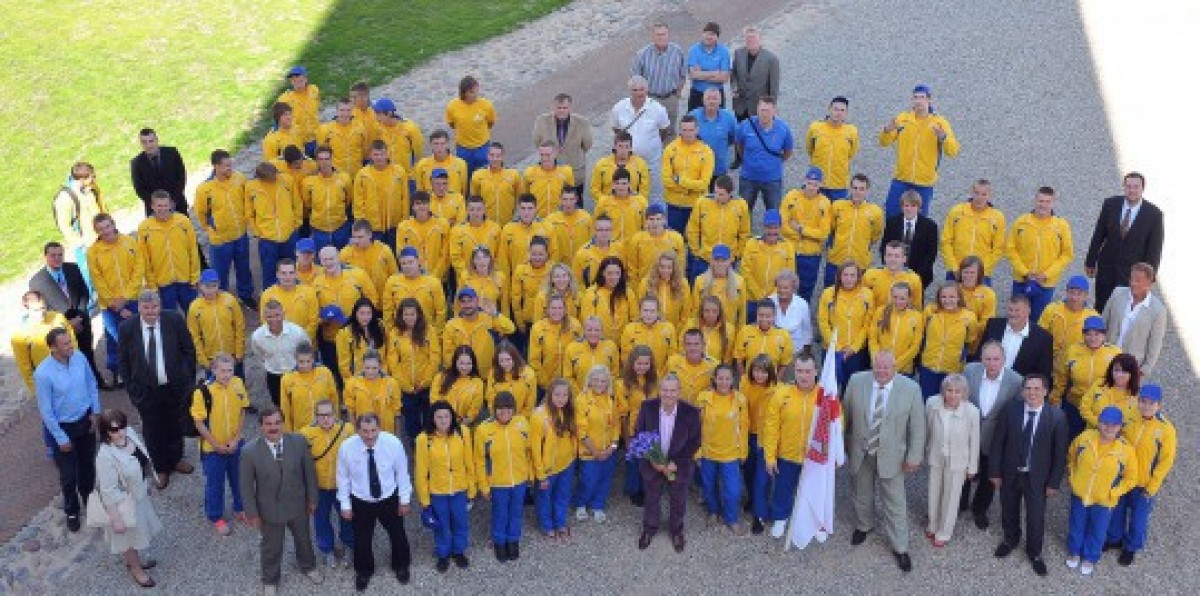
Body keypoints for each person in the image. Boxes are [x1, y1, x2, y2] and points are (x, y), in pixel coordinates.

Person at [843, 350, 926, 572]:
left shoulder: (911, 389)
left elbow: (918, 427)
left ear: (895, 368)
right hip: (862, 451)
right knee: (862, 493)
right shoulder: (856, 381)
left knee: (895, 502)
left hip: (892, 457)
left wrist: (914, 457)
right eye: (877, 366)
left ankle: (900, 547)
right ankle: (864, 526)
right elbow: (845, 416)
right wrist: (840, 447)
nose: (881, 371)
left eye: (886, 367)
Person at [990, 374, 1068, 576]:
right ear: (1023, 391)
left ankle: (1034, 552)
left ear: (1045, 391)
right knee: (1008, 508)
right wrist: (995, 471)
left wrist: (1054, 482)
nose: (1032, 393)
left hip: (1038, 478)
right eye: (1028, 388)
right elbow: (998, 443)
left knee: (1035, 516)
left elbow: (1060, 455)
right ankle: (1010, 539)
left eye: (1037, 389)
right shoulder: (1010, 410)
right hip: (1010, 472)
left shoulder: (1057, 417)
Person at [118, 290, 197, 489]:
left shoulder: (174, 320)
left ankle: (176, 459)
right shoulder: (127, 328)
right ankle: (161, 467)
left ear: (160, 306)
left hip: (173, 388)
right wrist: (132, 390)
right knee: (152, 430)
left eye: (154, 307)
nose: (151, 311)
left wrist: (187, 380)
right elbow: (123, 362)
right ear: (139, 308)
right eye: (146, 307)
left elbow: (189, 350)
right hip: (145, 392)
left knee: (175, 425)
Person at [239, 406, 322, 594]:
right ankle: (270, 580)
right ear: (261, 426)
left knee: (304, 539)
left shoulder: (299, 442)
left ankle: (308, 566)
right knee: (271, 547)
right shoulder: (249, 452)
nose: (273, 427)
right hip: (270, 509)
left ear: (283, 423)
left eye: (277, 423)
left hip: (298, 504)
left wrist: (313, 498)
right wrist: (252, 513)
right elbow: (246, 486)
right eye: (268, 424)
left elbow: (309, 473)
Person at [337, 412, 413, 591]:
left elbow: (402, 473)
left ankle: (401, 565)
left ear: (379, 428)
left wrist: (404, 500)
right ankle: (364, 571)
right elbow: (342, 478)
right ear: (357, 430)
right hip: (361, 500)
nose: (370, 435)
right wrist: (345, 504)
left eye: (373, 430)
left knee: (397, 534)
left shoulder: (393, 444)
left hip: (388, 498)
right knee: (362, 538)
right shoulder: (346, 448)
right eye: (365, 431)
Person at [35, 327, 100, 533]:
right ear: (53, 348)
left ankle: (89, 500)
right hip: (63, 428)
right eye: (65, 344)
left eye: (70, 341)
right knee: (69, 475)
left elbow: (91, 383)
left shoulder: (79, 357)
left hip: (85, 421)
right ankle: (72, 511)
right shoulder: (43, 373)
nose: (70, 346)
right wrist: (61, 438)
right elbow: (46, 411)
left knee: (87, 467)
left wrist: (95, 412)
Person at [1106, 383, 1175, 566]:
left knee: (1138, 520)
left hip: (1144, 484)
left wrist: (1152, 487)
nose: (1146, 406)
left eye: (1151, 403)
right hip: (1124, 478)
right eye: (1143, 401)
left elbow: (1165, 462)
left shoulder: (1166, 430)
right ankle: (1114, 539)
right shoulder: (1129, 417)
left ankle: (1131, 547)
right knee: (1117, 512)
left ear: (1159, 405)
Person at [1065, 406, 1138, 576]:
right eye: (1105, 423)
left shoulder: (1126, 450)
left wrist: (1113, 492)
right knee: (1076, 525)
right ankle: (1074, 552)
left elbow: (1131, 478)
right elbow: (1072, 457)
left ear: (1119, 426)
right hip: (1081, 494)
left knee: (1098, 530)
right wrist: (1073, 478)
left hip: (1105, 500)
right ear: (1098, 423)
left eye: (1114, 425)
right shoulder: (1084, 438)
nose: (1108, 428)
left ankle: (1090, 557)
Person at [94, 409, 162, 588]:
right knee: (127, 540)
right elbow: (107, 491)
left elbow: (142, 460)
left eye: (122, 426)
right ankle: (136, 569)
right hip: (122, 504)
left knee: (137, 533)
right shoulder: (105, 456)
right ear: (106, 432)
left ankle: (134, 562)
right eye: (114, 430)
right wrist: (116, 519)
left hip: (138, 496)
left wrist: (146, 483)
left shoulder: (130, 434)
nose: (121, 432)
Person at [634, 374, 701, 553]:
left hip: (678, 464)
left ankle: (677, 531)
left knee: (678, 499)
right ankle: (649, 528)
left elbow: (695, 441)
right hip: (653, 464)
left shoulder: (691, 412)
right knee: (651, 498)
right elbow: (639, 434)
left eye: (673, 391)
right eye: (665, 390)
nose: (668, 394)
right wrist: (653, 460)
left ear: (679, 392)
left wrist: (676, 463)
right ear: (659, 391)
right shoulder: (647, 407)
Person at [960, 341, 1024, 529]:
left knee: (988, 476)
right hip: (969, 432)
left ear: (1004, 359)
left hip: (995, 437)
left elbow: (1016, 412)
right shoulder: (970, 371)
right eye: (987, 359)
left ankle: (979, 509)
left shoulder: (1016, 381)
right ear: (981, 358)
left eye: (996, 359)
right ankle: (959, 503)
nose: (992, 363)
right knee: (963, 470)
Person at [1084, 172, 1165, 311]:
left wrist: (1149, 277)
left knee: (1124, 310)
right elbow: (1098, 234)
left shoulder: (1154, 214)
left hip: (1132, 274)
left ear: (1142, 188)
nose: (1131, 190)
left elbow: (1154, 249)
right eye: (1128, 186)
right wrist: (1090, 261)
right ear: (1124, 187)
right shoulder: (1110, 204)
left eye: (1136, 187)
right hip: (1106, 268)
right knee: (1101, 306)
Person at [878, 85, 960, 218]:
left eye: (922, 97)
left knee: (919, 221)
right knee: (892, 215)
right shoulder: (902, 119)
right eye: (915, 97)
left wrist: (943, 138)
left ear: (929, 100)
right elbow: (884, 142)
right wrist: (886, 131)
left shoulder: (939, 122)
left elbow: (953, 151)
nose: (918, 101)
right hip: (901, 179)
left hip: (924, 182)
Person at [29, 241, 103, 386]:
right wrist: (67, 323)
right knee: (65, 358)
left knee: (87, 353)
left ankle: (96, 381)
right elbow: (44, 308)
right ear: (45, 257)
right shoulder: (37, 282)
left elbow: (84, 292)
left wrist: (79, 317)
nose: (57, 258)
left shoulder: (72, 268)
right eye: (53, 255)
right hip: (60, 328)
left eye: (60, 255)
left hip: (81, 321)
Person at [415, 401, 476, 573]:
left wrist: (471, 489)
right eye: (439, 417)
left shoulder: (462, 433)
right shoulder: (424, 439)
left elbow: (469, 463)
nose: (443, 420)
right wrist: (425, 501)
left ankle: (459, 551)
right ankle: (443, 553)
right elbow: (421, 472)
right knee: (441, 525)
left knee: (461, 522)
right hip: (438, 492)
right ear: (432, 419)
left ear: (452, 417)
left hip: (459, 489)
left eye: (446, 416)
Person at [190, 354, 248, 536]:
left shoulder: (238, 383)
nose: (226, 375)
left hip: (235, 444)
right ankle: (216, 516)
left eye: (230, 370)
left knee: (239, 478)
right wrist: (215, 445)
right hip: (212, 449)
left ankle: (240, 507)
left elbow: (242, 411)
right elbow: (199, 422)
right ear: (213, 370)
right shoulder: (202, 392)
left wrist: (237, 438)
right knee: (215, 484)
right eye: (222, 371)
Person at [474, 392, 533, 562]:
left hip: (519, 480)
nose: (504, 413)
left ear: (514, 409)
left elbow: (529, 452)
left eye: (508, 409)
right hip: (498, 482)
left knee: (516, 512)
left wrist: (530, 474)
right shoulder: (483, 430)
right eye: (500, 409)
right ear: (494, 410)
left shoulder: (522, 423)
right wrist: (484, 486)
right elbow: (479, 460)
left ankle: (513, 540)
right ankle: (499, 542)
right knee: (500, 514)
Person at [924, 374, 980, 547]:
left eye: (958, 391)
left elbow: (974, 441)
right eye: (949, 390)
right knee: (934, 492)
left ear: (964, 393)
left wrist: (972, 467)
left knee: (951, 497)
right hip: (936, 455)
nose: (953, 395)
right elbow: (926, 429)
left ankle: (944, 532)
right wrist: (922, 452)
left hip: (958, 461)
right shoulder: (932, 403)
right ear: (943, 390)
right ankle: (933, 524)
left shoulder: (972, 411)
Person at [88, 213, 143, 387]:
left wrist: (126, 297)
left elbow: (138, 270)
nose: (106, 231)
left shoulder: (129, 242)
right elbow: (98, 281)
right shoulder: (93, 252)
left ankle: (140, 368)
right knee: (114, 339)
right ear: (96, 232)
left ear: (113, 224)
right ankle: (118, 372)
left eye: (107, 226)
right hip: (110, 305)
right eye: (101, 229)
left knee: (137, 334)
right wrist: (116, 304)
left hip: (132, 298)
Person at [195, 150, 254, 304]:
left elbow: (246, 201)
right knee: (220, 273)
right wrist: (211, 229)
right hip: (220, 240)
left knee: (244, 268)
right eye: (226, 166)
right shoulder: (204, 189)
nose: (230, 168)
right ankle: (221, 300)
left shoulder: (239, 179)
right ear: (216, 166)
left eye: (230, 164)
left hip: (240, 234)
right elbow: (201, 213)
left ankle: (246, 295)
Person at [300, 399, 354, 568]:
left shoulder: (347, 430)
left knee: (347, 517)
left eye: (329, 414)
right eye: (321, 415)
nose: (325, 419)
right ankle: (327, 549)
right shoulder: (305, 433)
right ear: (315, 416)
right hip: (319, 487)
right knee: (321, 520)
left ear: (335, 414)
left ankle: (348, 544)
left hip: (342, 486)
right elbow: (301, 462)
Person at [1006, 186, 1074, 321]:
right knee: (1016, 318)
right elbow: (1010, 249)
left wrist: (1046, 274)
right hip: (1021, 281)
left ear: (1053, 203)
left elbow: (1067, 255)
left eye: (1047, 201)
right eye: (1040, 201)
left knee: (1039, 321)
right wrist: (1024, 272)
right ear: (1034, 201)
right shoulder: (1021, 222)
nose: (1043, 205)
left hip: (1045, 284)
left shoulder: (1061, 226)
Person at [695, 365, 749, 534]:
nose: (724, 382)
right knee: (709, 485)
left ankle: (731, 519)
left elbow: (744, 427)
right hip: (708, 452)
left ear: (733, 380)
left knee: (733, 490)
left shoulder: (740, 400)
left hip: (731, 454)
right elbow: (696, 426)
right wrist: (697, 452)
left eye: (727, 378)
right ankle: (713, 511)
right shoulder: (703, 398)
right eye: (720, 378)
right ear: (714, 379)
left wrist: (743, 451)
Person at [573, 366, 624, 522]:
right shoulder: (581, 399)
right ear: (589, 380)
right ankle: (581, 504)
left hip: (608, 450)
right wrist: (595, 452)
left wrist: (612, 447)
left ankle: (598, 505)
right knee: (588, 480)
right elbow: (581, 430)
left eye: (603, 381)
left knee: (605, 479)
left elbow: (616, 425)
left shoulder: (611, 399)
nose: (599, 384)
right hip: (589, 451)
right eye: (596, 380)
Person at [1055, 319, 1122, 436]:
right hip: (1075, 404)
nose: (1092, 338)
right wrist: (1055, 397)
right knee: (1070, 438)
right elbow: (1061, 376)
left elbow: (1121, 380)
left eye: (1097, 334)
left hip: (1100, 410)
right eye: (1088, 334)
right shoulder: (1072, 350)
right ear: (1083, 335)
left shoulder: (1114, 353)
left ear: (1104, 335)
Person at [1100, 262, 1167, 378]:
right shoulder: (1117, 293)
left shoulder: (1158, 311)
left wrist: (1145, 369)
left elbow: (1155, 343)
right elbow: (1103, 321)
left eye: (1138, 280)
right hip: (1106, 358)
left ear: (1149, 283)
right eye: (1131, 279)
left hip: (1131, 367)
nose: (1133, 283)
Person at [387, 299, 440, 442]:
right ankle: (415, 444)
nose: (409, 318)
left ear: (418, 315)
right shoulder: (395, 333)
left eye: (412, 314)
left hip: (426, 385)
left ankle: (430, 442)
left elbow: (434, 357)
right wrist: (405, 385)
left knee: (429, 417)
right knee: (411, 420)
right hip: (406, 388)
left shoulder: (429, 331)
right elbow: (393, 361)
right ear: (400, 315)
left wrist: (426, 381)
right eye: (406, 314)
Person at [138, 191, 201, 312]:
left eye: (165, 205)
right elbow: (145, 259)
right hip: (163, 284)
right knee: (170, 317)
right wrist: (152, 285)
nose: (163, 209)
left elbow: (193, 250)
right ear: (152, 206)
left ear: (171, 205)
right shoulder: (144, 228)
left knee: (192, 313)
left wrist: (195, 277)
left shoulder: (183, 221)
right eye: (159, 206)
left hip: (186, 280)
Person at [611, 76, 671, 202]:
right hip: (627, 161)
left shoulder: (658, 109)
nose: (639, 93)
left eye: (642, 89)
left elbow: (664, 131)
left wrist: (648, 145)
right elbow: (617, 130)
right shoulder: (619, 108)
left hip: (651, 162)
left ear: (647, 90)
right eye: (635, 90)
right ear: (629, 91)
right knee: (627, 193)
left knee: (653, 194)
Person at [817, 261, 874, 391]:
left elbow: (867, 324)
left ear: (858, 277)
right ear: (839, 276)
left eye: (852, 275)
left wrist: (854, 347)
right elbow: (823, 321)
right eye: (845, 275)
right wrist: (836, 346)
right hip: (833, 350)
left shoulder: (867, 295)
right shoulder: (828, 294)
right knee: (830, 390)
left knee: (852, 389)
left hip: (856, 351)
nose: (849, 279)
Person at [918, 283, 979, 399]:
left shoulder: (969, 317)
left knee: (948, 401)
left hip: (952, 369)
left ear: (959, 298)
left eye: (952, 297)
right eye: (943, 297)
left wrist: (961, 356)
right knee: (926, 400)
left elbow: (971, 340)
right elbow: (922, 333)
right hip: (928, 366)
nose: (947, 300)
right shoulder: (930, 311)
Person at [974, 293, 1054, 381]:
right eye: (1010, 309)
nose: (1012, 314)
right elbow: (980, 354)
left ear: (1028, 311)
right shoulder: (993, 325)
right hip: (988, 380)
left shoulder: (1043, 338)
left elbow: (1043, 373)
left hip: (1020, 386)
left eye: (1017, 310)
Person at [247, 163, 301, 289]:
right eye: (272, 177)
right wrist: (257, 232)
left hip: (289, 235)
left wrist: (296, 223)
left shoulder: (287, 180)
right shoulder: (251, 187)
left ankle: (293, 293)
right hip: (267, 239)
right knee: (269, 272)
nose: (276, 178)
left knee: (291, 269)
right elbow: (249, 213)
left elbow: (297, 203)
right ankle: (270, 296)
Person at [685, 175, 749, 281]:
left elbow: (744, 232)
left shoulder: (741, 206)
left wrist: (737, 254)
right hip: (705, 258)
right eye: (715, 192)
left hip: (727, 259)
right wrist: (696, 252)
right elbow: (693, 229)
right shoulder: (702, 203)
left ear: (730, 193)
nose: (717, 197)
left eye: (721, 194)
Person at [941, 179, 1007, 283]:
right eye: (977, 193)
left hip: (982, 274)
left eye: (984, 194)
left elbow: (998, 248)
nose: (979, 198)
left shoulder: (997, 218)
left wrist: (981, 270)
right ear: (971, 192)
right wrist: (954, 267)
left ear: (990, 196)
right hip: (956, 271)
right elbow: (946, 241)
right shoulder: (957, 212)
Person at [780, 167, 831, 301]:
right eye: (809, 183)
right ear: (804, 181)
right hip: (790, 250)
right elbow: (783, 225)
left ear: (821, 185)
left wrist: (801, 230)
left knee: (806, 290)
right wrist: (808, 235)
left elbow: (823, 233)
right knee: (784, 287)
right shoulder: (791, 196)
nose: (811, 187)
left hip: (811, 255)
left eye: (815, 184)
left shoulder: (825, 203)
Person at [736, 96, 793, 213]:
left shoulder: (784, 129)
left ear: (774, 111)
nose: (764, 114)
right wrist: (747, 160)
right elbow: (739, 145)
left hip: (772, 179)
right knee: (743, 213)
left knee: (773, 214)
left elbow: (788, 152)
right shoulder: (745, 125)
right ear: (757, 110)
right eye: (762, 110)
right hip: (748, 178)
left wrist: (775, 162)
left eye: (768, 111)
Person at [442, 287, 515, 378]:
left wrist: (496, 314)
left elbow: (510, 329)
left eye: (470, 301)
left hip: (486, 373)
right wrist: (455, 372)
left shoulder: (488, 319)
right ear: (459, 304)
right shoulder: (451, 325)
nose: (467, 305)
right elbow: (447, 354)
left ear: (477, 302)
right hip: (462, 373)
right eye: (463, 301)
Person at [53, 162, 108, 283]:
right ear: (82, 179)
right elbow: (64, 225)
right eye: (92, 177)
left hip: (100, 239)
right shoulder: (65, 198)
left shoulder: (90, 188)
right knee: (93, 279)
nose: (94, 179)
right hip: (86, 246)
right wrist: (80, 244)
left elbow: (100, 206)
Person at [250, 299, 310, 408]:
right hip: (273, 376)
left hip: (295, 373)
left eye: (277, 315)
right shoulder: (257, 336)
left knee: (299, 403)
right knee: (279, 405)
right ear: (264, 317)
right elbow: (259, 354)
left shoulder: (297, 332)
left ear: (283, 314)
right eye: (269, 316)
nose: (274, 320)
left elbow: (307, 350)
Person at [630, 22, 687, 135]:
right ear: (652, 36)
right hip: (650, 99)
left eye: (663, 34)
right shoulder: (642, 54)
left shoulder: (677, 51)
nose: (661, 37)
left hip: (670, 99)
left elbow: (683, 74)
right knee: (649, 130)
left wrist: (677, 94)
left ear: (668, 35)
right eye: (658, 34)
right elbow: (635, 80)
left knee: (670, 132)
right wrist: (642, 99)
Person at [663, 116, 715, 235]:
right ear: (680, 131)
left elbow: (704, 184)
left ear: (697, 130)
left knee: (695, 241)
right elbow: (666, 181)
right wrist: (690, 188)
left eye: (691, 130)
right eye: (684, 130)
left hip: (697, 205)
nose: (688, 134)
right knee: (674, 240)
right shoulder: (670, 150)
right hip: (674, 205)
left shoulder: (706, 152)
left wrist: (680, 181)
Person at [188, 270, 246, 378]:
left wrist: (239, 352)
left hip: (232, 356)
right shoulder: (194, 308)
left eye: (214, 286)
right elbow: (194, 336)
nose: (211, 290)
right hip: (212, 360)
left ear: (219, 284)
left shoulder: (230, 300)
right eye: (207, 286)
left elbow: (239, 326)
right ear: (200, 286)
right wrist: (203, 360)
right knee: (214, 388)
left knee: (237, 385)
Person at [532, 93, 593, 195]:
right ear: (553, 107)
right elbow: (537, 141)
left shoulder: (582, 123)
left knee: (576, 201)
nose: (561, 111)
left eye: (564, 108)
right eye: (558, 108)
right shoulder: (542, 121)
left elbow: (587, 144)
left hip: (575, 171)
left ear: (570, 108)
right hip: (550, 171)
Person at [826, 175, 884, 283]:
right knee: (831, 290)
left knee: (857, 292)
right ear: (850, 188)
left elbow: (875, 235)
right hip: (836, 260)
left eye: (862, 189)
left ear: (867, 191)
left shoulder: (876, 212)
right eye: (855, 188)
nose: (858, 192)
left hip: (859, 263)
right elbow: (831, 229)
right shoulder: (837, 206)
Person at [353, 143, 411, 251]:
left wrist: (404, 221)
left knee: (394, 254)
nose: (379, 157)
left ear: (387, 154)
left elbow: (405, 198)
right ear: (370, 155)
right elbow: (358, 203)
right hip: (373, 227)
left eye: (382, 154)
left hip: (394, 225)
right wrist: (363, 226)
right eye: (376, 154)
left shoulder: (399, 172)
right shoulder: (362, 175)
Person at [881, 190, 939, 292]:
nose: (909, 209)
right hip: (894, 273)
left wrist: (916, 276)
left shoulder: (930, 226)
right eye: (906, 205)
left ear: (919, 207)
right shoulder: (892, 223)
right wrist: (891, 267)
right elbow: (884, 247)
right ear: (902, 207)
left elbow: (931, 254)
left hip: (920, 275)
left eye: (913, 206)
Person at [805, 97, 859, 200]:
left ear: (846, 113)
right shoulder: (815, 128)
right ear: (829, 109)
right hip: (817, 183)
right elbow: (810, 149)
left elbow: (851, 153)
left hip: (839, 185)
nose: (838, 113)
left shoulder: (851, 132)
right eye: (836, 109)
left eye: (842, 110)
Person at [868, 282, 924, 377]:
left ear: (909, 299)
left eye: (902, 298)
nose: (898, 301)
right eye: (895, 297)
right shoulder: (880, 312)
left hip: (904, 369)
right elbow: (872, 338)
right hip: (880, 367)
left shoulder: (917, 317)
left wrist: (895, 365)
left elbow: (915, 346)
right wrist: (877, 359)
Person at [1038, 275, 1100, 360]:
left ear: (1086, 296)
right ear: (1066, 292)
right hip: (1049, 358)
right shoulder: (1052, 309)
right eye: (1071, 292)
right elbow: (1039, 334)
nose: (1074, 297)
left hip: (1076, 362)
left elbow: (1096, 344)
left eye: (1079, 294)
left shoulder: (1093, 317)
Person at [281, 343, 338, 433]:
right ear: (295, 360)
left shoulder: (325, 373)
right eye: (301, 362)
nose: (305, 365)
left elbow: (334, 398)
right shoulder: (287, 379)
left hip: (325, 426)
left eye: (308, 361)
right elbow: (285, 409)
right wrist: (288, 432)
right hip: (301, 429)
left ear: (313, 359)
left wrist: (335, 421)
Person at [305, 145, 353, 251]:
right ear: (316, 161)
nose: (324, 162)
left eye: (327, 159)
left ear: (332, 159)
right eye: (321, 159)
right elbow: (307, 203)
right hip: (318, 230)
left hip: (340, 227)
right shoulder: (308, 182)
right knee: (322, 258)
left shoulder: (344, 179)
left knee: (342, 257)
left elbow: (348, 199)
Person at [445, 75, 496, 176]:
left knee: (484, 173)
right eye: (472, 92)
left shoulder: (486, 105)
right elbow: (452, 124)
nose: (476, 94)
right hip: (463, 148)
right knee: (465, 173)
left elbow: (490, 122)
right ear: (464, 93)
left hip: (482, 147)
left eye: (477, 90)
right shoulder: (452, 106)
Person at [130, 128, 187, 216]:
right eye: (144, 142)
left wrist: (173, 200)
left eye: (151, 141)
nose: (148, 145)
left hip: (177, 204)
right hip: (155, 210)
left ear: (157, 140)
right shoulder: (136, 163)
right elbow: (139, 188)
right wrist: (157, 205)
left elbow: (181, 176)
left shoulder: (172, 153)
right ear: (141, 144)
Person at [1078, 353, 1141, 433]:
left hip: (1118, 438)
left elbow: (1134, 423)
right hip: (1092, 434)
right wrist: (1098, 424)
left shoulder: (1137, 396)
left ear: (1132, 374)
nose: (1119, 375)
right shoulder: (1099, 384)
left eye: (1124, 371)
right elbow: (1084, 407)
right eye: (1116, 370)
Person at [689, 88, 738, 186]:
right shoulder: (693, 116)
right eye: (708, 98)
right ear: (703, 100)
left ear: (720, 101)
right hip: (697, 168)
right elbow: (686, 137)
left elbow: (734, 138)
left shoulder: (729, 118)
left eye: (715, 98)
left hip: (719, 169)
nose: (711, 101)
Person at [730, 27, 780, 122]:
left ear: (760, 39)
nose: (750, 41)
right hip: (740, 107)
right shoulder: (738, 53)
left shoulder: (772, 59)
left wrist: (771, 108)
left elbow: (774, 88)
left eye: (753, 38)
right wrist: (734, 88)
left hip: (760, 108)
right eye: (748, 38)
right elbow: (734, 74)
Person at [563, 317, 621, 393]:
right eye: (589, 330)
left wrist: (606, 391)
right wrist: (581, 394)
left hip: (604, 396)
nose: (593, 333)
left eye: (597, 330)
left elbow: (614, 373)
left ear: (602, 331)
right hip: (580, 395)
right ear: (584, 331)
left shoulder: (611, 346)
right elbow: (568, 377)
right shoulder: (572, 348)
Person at [862, 241, 923, 313]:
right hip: (875, 318)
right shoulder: (870, 275)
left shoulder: (914, 279)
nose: (892, 259)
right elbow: (861, 302)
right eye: (889, 255)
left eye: (897, 256)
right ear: (884, 257)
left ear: (904, 259)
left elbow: (916, 308)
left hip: (901, 319)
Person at [734, 300, 793, 374]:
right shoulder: (745, 331)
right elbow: (739, 359)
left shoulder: (784, 335)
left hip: (772, 379)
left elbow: (785, 363)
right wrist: (744, 378)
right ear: (756, 315)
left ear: (774, 316)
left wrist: (776, 380)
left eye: (768, 316)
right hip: (749, 379)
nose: (764, 319)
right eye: (761, 315)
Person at [470, 142, 522, 224]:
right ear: (488, 156)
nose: (495, 159)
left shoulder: (514, 175)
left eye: (498, 156)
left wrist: (515, 218)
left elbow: (519, 198)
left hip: (507, 224)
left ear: (503, 156)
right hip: (486, 225)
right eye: (492, 155)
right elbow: (474, 200)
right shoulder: (478, 176)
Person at [590, 132, 652, 200]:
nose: (623, 150)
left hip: (632, 204)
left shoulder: (641, 165)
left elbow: (644, 191)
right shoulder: (601, 165)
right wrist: (606, 201)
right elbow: (594, 189)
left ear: (631, 148)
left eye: (626, 147)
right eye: (620, 146)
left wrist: (635, 203)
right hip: (608, 204)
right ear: (615, 146)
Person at [685, 22, 731, 111]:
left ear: (717, 37)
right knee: (694, 119)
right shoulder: (694, 50)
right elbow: (693, 75)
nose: (709, 37)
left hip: (716, 95)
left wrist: (701, 73)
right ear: (703, 34)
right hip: (697, 94)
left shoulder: (724, 52)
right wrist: (715, 73)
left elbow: (724, 77)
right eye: (707, 34)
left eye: (712, 34)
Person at [486, 342, 539, 417]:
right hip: (499, 417)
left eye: (508, 359)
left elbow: (530, 404)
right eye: (501, 360)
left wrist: (517, 419)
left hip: (521, 418)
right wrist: (499, 417)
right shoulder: (492, 374)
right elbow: (491, 399)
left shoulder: (529, 375)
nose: (505, 364)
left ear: (515, 358)